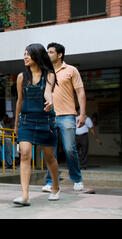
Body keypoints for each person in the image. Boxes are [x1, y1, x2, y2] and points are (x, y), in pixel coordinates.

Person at [13, 43, 61, 206]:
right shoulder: (21, 77)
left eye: (29, 54)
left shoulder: (49, 75)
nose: (25, 57)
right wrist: (16, 124)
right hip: (26, 121)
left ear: (37, 56)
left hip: (45, 121)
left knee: (49, 157)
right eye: (24, 54)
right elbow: (19, 101)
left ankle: (55, 186)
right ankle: (25, 195)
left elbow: (48, 92)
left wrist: (50, 102)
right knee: (25, 154)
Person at [44, 42, 86, 192]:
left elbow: (80, 92)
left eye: (51, 52)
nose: (48, 54)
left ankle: (76, 179)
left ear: (59, 55)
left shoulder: (71, 70)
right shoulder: (46, 72)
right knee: (50, 151)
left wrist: (82, 113)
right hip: (50, 117)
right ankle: (50, 182)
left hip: (67, 115)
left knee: (69, 149)